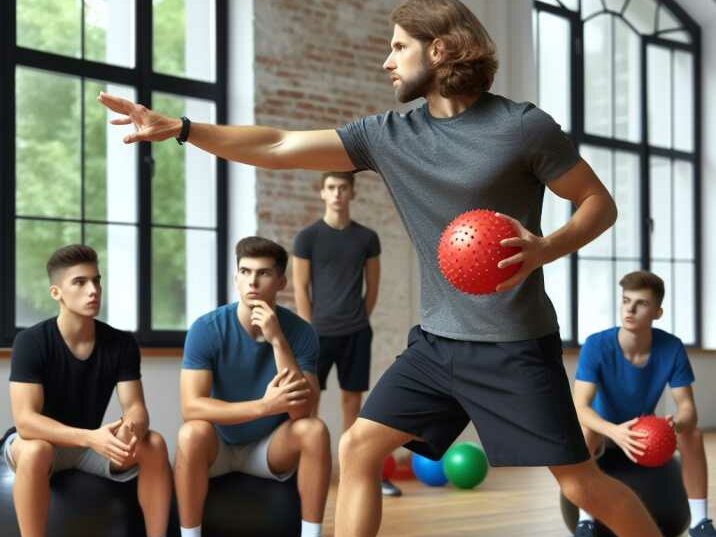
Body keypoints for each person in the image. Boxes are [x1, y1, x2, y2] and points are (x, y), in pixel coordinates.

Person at [97, 0, 663, 534]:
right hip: (438, 345)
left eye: (398, 47)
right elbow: (276, 143)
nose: (386, 61)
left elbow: (598, 204)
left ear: (439, 51)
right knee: (358, 446)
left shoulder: (522, 127)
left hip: (513, 344)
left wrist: (544, 247)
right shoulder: (389, 136)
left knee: (581, 484)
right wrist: (186, 130)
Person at [4, 244, 172, 537]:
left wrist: (131, 427)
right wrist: (90, 437)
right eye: (80, 282)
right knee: (36, 450)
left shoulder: (121, 343)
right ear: (56, 293)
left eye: (96, 280)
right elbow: (26, 422)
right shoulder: (30, 342)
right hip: (40, 442)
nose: (93, 290)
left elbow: (134, 406)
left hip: (88, 446)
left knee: (153, 443)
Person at [174, 236, 331, 537]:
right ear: (236, 278)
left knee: (314, 431)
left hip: (268, 448)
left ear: (281, 281)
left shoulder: (300, 332)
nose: (252, 282)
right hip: (217, 448)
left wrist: (277, 340)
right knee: (191, 432)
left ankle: (312, 535)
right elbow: (190, 407)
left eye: (263, 273)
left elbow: (301, 411)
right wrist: (265, 406)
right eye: (245, 272)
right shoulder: (207, 329)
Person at [573, 270, 715, 537]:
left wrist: (676, 422)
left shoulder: (671, 347)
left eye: (641, 304)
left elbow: (687, 408)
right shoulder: (596, 345)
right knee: (586, 431)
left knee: (692, 434)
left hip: (645, 435)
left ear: (657, 313)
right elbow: (580, 407)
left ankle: (700, 523)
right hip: (605, 434)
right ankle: (585, 519)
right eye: (626, 300)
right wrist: (614, 431)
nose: (630, 309)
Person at [292, 171, 400, 497]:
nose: (337, 193)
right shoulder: (307, 237)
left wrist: (358, 319)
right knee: (308, 402)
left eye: (342, 188)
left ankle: (354, 471)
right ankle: (305, 471)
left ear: (352, 192)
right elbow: (300, 286)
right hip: (317, 334)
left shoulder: (367, 238)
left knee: (352, 401)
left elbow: (373, 287)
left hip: (356, 332)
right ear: (322, 193)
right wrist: (309, 330)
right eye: (331, 188)